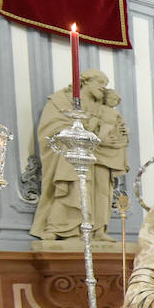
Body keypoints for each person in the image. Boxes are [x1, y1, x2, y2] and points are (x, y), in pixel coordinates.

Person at [31, 70, 128, 243]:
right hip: (72, 150)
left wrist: (115, 136)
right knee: (72, 179)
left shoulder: (102, 106)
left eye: (105, 85)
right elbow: (50, 128)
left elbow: (115, 129)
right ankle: (61, 227)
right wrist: (78, 133)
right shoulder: (61, 100)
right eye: (99, 83)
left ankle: (97, 228)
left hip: (99, 150)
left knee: (102, 185)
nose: (103, 89)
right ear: (85, 82)